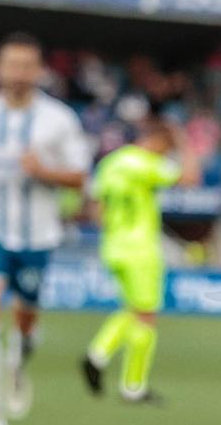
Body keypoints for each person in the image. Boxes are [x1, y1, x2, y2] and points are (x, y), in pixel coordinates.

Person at [0, 34, 90, 425]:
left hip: (38, 235)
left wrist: (44, 171)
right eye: (10, 64)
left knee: (26, 319)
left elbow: (80, 176)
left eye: (26, 66)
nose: (17, 73)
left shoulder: (59, 119)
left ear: (39, 71)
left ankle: (17, 363)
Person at [82, 120, 198, 404]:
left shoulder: (111, 162)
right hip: (141, 248)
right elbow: (190, 179)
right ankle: (128, 381)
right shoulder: (146, 163)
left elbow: (96, 207)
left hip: (113, 245)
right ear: (159, 142)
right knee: (146, 314)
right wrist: (184, 144)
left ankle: (100, 358)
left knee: (132, 309)